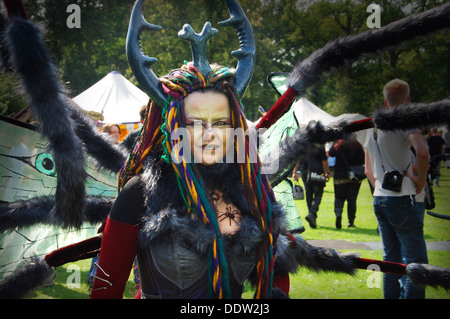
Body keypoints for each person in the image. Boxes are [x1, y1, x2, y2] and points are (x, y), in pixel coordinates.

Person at [364, 78, 429, 299]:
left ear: (385, 101)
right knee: (416, 262)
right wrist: (421, 178)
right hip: (401, 198)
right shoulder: (405, 123)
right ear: (408, 100)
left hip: (380, 197)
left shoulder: (373, 127)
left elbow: (368, 169)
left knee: (390, 261)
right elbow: (422, 152)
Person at [328, 139, 365, 229]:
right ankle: (351, 221)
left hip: (340, 175)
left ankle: (338, 215)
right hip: (354, 176)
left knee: (339, 198)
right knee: (352, 199)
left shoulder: (338, 145)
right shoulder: (358, 145)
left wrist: (336, 142)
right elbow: (362, 160)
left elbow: (331, 153)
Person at [292, 146, 330, 228]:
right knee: (318, 193)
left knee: (309, 193)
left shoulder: (303, 143)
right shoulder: (319, 145)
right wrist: (328, 171)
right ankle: (312, 213)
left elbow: (297, 159)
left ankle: (311, 216)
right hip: (317, 170)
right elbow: (324, 160)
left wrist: (294, 171)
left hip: (304, 171)